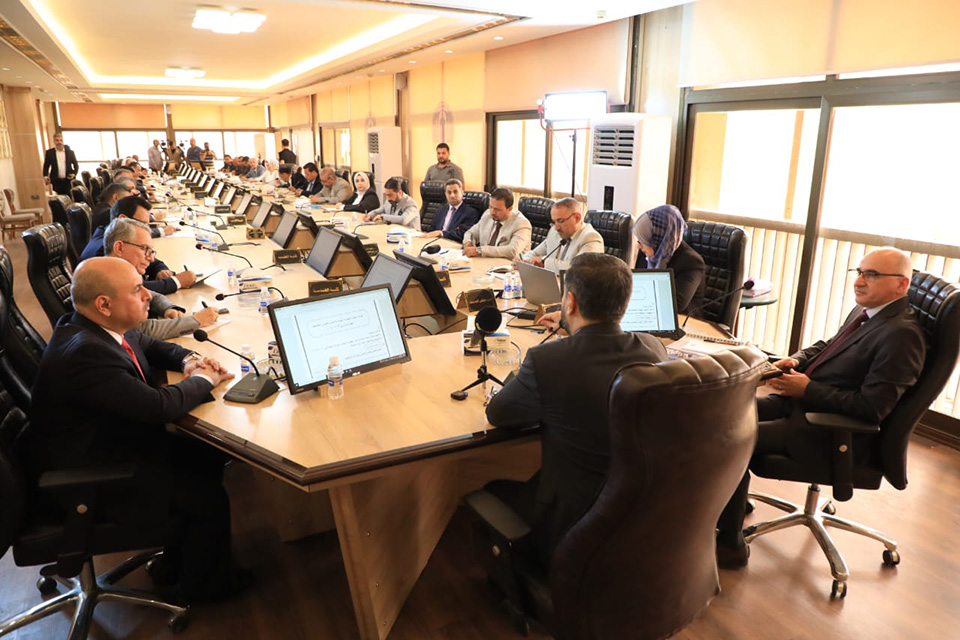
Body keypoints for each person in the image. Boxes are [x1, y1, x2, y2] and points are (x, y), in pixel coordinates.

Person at [24, 256, 250, 603]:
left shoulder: (92, 326)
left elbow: (149, 345)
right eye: (137, 290)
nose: (148, 295)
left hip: (106, 444)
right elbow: (159, 407)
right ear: (104, 304)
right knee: (207, 497)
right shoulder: (87, 354)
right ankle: (205, 590)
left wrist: (189, 361)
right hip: (89, 477)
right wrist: (206, 379)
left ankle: (177, 565)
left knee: (206, 455)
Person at [715, 247, 926, 568]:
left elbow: (872, 408)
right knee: (724, 417)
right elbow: (829, 346)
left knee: (732, 438)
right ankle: (732, 502)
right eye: (859, 272)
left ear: (901, 284)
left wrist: (808, 389)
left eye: (871, 275)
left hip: (831, 431)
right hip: (803, 408)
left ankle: (730, 544)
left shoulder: (902, 336)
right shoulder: (869, 313)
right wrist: (795, 360)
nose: (859, 281)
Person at [484, 253, 668, 567]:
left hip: (568, 522)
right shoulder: (654, 349)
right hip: (639, 514)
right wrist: (574, 331)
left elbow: (499, 414)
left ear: (569, 302)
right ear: (624, 303)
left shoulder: (547, 361)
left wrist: (535, 363)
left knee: (491, 490)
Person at [104, 218, 217, 339]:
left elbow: (153, 296)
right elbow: (142, 330)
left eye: (151, 251)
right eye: (145, 249)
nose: (151, 258)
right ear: (120, 248)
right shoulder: (107, 282)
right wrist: (196, 321)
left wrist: (168, 309)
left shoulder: (121, 274)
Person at [82, 195, 194, 293]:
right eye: (143, 224)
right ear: (123, 219)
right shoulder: (102, 251)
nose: (147, 230)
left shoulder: (112, 234)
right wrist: (176, 282)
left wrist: (160, 270)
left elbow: (147, 260)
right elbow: (130, 289)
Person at [633, 205, 705, 316]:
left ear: (658, 239)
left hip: (683, 320)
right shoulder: (648, 254)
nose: (639, 246)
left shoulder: (692, 262)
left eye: (643, 241)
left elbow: (675, 305)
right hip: (650, 315)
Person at [520, 197, 603, 273]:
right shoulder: (554, 232)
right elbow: (535, 253)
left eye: (560, 221)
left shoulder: (591, 238)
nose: (556, 227)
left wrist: (545, 262)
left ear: (577, 217)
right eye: (554, 222)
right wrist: (524, 260)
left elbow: (577, 269)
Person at [462, 187, 532, 260]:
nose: (492, 212)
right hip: (485, 262)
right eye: (490, 207)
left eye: (497, 209)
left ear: (509, 209)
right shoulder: (487, 215)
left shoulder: (522, 223)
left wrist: (479, 250)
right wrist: (468, 242)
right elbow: (470, 233)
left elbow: (513, 251)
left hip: (507, 265)